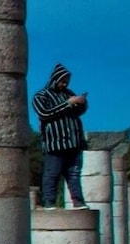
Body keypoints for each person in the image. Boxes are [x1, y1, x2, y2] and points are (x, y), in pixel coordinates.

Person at [34, 63, 89, 210]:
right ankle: (49, 202)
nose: (64, 84)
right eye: (62, 81)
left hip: (74, 143)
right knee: (52, 174)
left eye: (66, 81)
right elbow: (45, 113)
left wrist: (81, 103)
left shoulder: (69, 93)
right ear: (55, 79)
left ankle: (78, 201)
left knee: (74, 174)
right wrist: (67, 104)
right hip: (55, 143)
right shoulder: (41, 95)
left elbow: (77, 112)